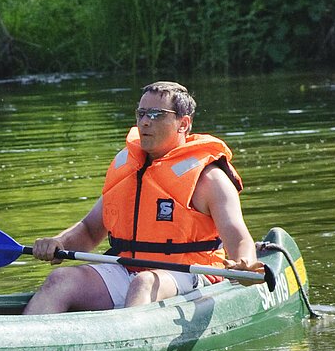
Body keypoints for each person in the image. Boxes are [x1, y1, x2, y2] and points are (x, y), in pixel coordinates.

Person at [22, 81, 260, 314]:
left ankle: (123, 348)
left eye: (157, 114)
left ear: (183, 124)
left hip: (189, 274)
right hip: (127, 270)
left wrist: (245, 262)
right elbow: (89, 230)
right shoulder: (128, 170)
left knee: (144, 283)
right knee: (60, 279)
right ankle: (26, 345)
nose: (145, 121)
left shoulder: (209, 179)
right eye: (142, 113)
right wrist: (59, 242)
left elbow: (237, 236)